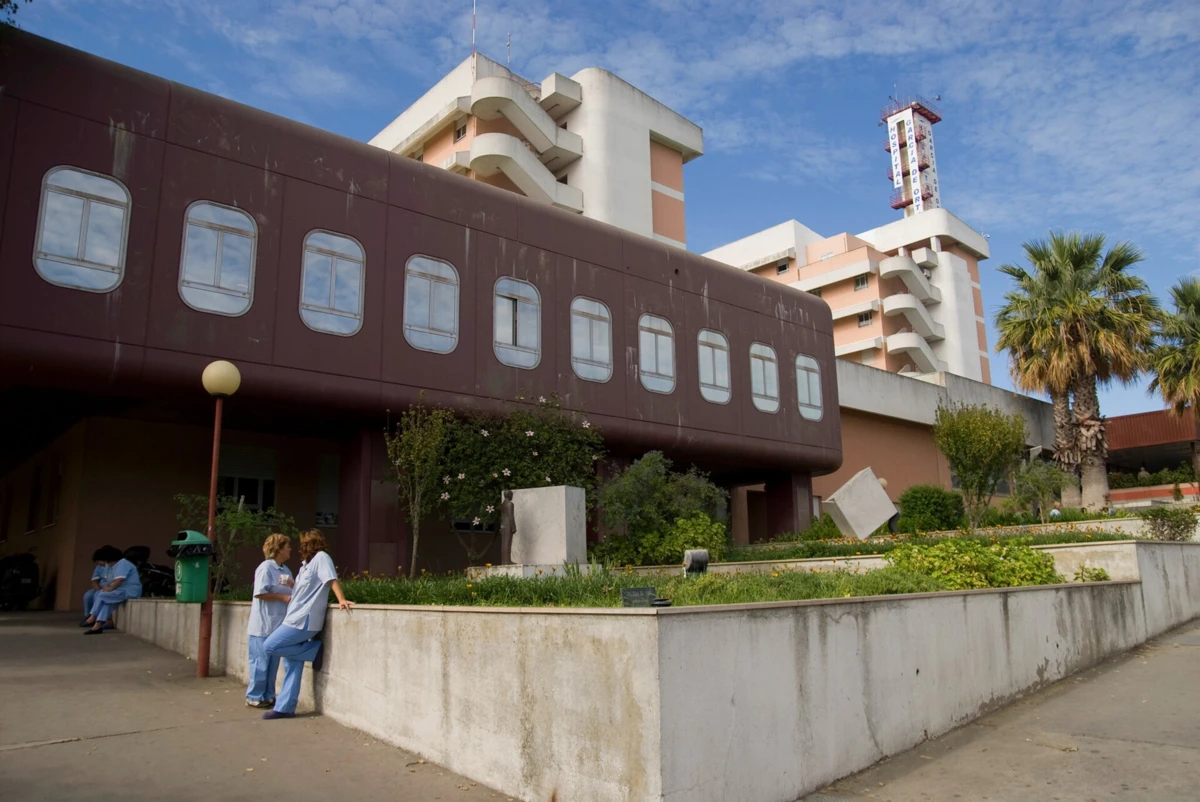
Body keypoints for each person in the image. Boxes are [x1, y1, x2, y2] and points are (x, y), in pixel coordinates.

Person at [261, 529, 353, 719]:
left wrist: (341, 599)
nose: (300, 546)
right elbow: (304, 591)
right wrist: (292, 584)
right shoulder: (305, 566)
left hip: (304, 620)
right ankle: (285, 708)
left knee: (269, 646)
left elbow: (331, 579)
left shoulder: (321, 558)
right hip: (294, 617)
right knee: (292, 663)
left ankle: (314, 650)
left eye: (304, 542)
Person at [245, 533, 295, 709]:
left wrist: (292, 585)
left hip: (278, 626)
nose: (290, 550)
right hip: (262, 626)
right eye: (287, 547)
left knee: (273, 664)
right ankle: (254, 696)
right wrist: (281, 597)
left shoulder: (286, 570)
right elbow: (260, 592)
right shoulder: (266, 568)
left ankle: (268, 695)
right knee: (260, 664)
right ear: (279, 549)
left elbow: (293, 593)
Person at [82, 546, 142, 634]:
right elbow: (112, 580)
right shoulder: (116, 565)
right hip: (120, 591)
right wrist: (108, 587)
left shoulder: (122, 563)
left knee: (101, 595)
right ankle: (97, 627)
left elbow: (120, 579)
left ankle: (93, 616)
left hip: (128, 591)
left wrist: (110, 588)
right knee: (107, 603)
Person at [80, 548, 113, 627]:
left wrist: (101, 591)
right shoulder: (99, 567)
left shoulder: (112, 566)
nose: (97, 563)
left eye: (99, 561)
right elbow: (94, 581)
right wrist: (98, 589)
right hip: (100, 587)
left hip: (109, 587)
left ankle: (97, 618)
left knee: (98, 595)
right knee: (88, 595)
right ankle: (88, 616)